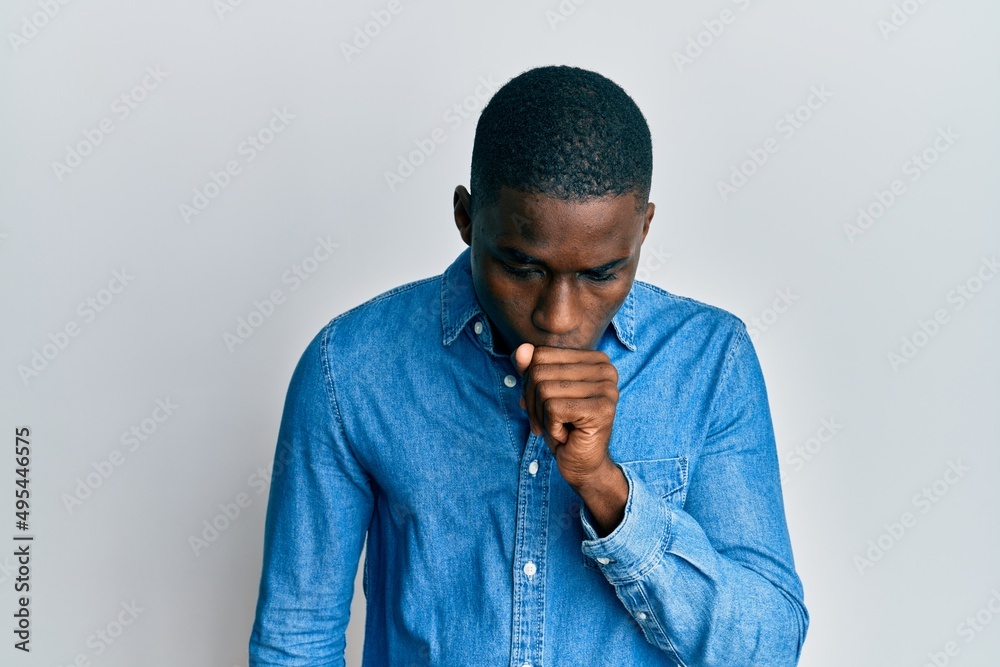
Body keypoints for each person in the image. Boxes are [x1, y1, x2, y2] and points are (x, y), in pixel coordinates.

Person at [248, 64, 809, 666]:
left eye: (601, 274)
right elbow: (295, 641)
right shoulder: (351, 366)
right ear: (466, 217)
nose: (559, 318)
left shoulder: (709, 360)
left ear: (643, 229)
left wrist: (604, 486)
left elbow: (767, 651)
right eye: (523, 268)